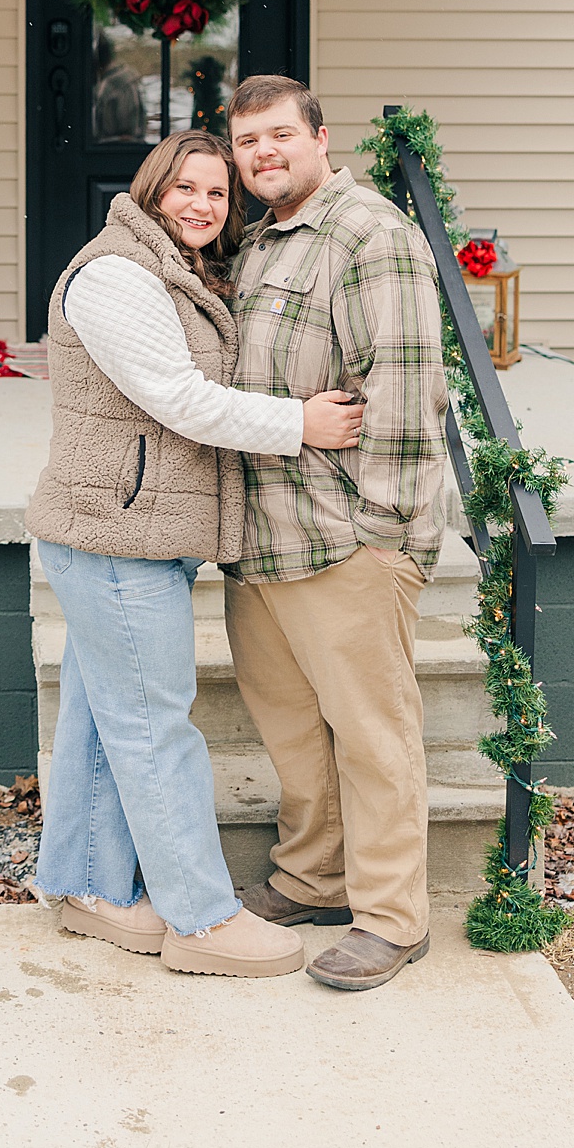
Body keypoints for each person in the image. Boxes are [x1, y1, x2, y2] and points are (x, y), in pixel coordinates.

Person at [27, 129, 365, 978]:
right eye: (184, 188)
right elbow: (181, 400)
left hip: (134, 530)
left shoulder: (173, 270)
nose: (201, 205)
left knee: (104, 717)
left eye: (217, 194)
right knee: (152, 726)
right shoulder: (115, 275)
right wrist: (300, 424)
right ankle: (201, 918)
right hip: (114, 536)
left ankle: (91, 887)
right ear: (150, 189)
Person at [224, 75, 450, 993]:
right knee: (290, 730)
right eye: (248, 143)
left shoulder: (371, 236)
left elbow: (403, 389)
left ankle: (393, 917)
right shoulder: (260, 242)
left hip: (344, 537)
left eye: (280, 135)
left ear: (321, 137)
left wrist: (383, 534)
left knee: (371, 732)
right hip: (264, 538)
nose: (264, 154)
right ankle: (314, 877)